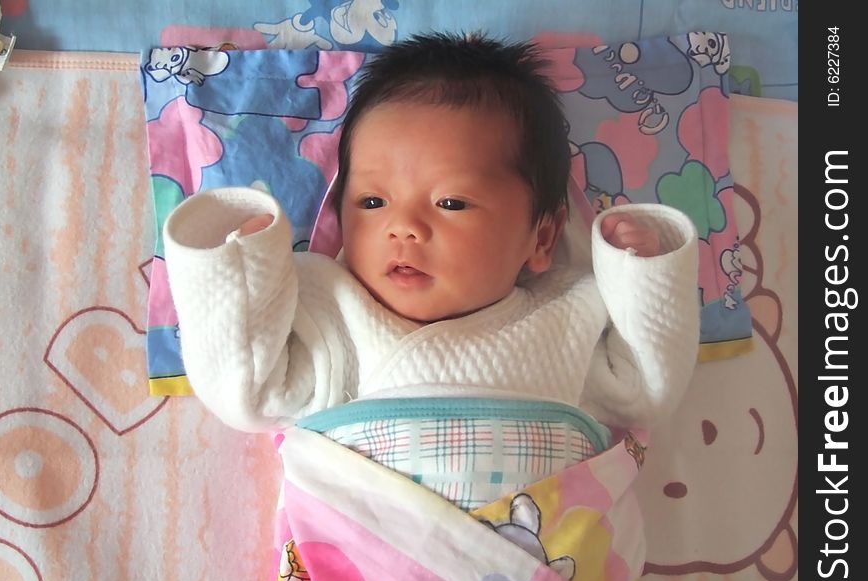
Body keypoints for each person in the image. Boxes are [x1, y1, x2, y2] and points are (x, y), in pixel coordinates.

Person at [163, 33, 699, 512]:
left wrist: (643, 271)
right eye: (373, 201)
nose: (404, 227)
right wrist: (240, 265)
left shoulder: (570, 312)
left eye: (450, 202)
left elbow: (646, 388)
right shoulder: (333, 312)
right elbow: (246, 392)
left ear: (541, 237)